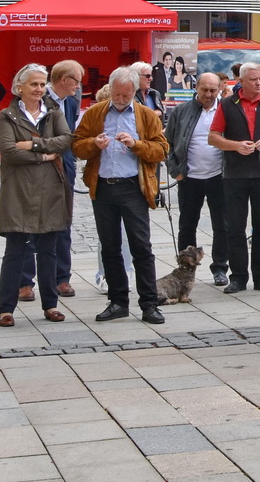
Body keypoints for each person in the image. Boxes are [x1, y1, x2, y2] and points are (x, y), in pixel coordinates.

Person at [71, 67, 168, 323]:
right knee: (110, 246)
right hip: (103, 186)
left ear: (135, 92)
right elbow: (77, 146)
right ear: (110, 89)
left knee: (141, 247)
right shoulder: (95, 113)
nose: (121, 99)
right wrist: (94, 144)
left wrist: (136, 145)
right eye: (117, 94)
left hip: (133, 187)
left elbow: (161, 150)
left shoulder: (146, 116)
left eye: (126, 95)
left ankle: (149, 304)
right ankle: (117, 301)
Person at [0, 64, 74, 326]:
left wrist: (34, 144)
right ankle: (6, 309)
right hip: (18, 189)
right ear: (20, 88)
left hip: (50, 188)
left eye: (42, 84)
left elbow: (66, 140)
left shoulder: (53, 111)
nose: (39, 89)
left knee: (48, 251)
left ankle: (50, 305)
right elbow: (10, 151)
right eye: (34, 84)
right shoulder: (7, 115)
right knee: (15, 250)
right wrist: (44, 156)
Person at [211, 63, 260, 294]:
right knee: (235, 228)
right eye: (253, 80)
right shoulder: (228, 104)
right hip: (235, 174)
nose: (259, 83)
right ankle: (238, 277)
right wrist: (235, 146)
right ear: (241, 81)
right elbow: (213, 137)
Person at [166, 72, 230, 287]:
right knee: (187, 224)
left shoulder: (226, 109)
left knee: (222, 224)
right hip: (189, 176)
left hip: (218, 176)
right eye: (205, 90)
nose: (209, 94)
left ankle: (220, 267)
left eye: (213, 90)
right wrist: (176, 171)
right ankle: (186, 266)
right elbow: (167, 143)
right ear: (196, 88)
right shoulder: (181, 111)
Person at [46, 61, 84, 298]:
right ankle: (25, 281)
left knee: (64, 223)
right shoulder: (41, 99)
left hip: (65, 169)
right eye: (76, 81)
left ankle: (62, 277)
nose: (78, 86)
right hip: (40, 169)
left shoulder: (71, 102)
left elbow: (71, 135)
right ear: (63, 79)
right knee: (31, 225)